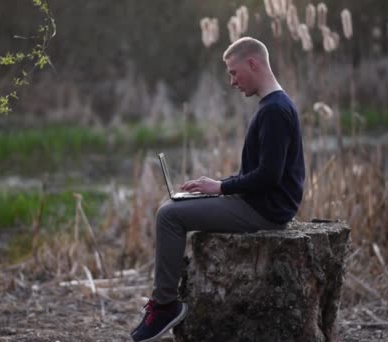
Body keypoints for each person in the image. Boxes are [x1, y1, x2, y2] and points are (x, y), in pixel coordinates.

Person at [130, 37, 305, 342]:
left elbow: (268, 177)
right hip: (261, 203)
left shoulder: (275, 111)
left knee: (169, 215)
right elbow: (259, 173)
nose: (232, 81)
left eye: (234, 73)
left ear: (253, 64)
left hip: (267, 211)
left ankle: (165, 305)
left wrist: (222, 187)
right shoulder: (274, 105)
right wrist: (215, 186)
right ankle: (164, 303)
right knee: (174, 206)